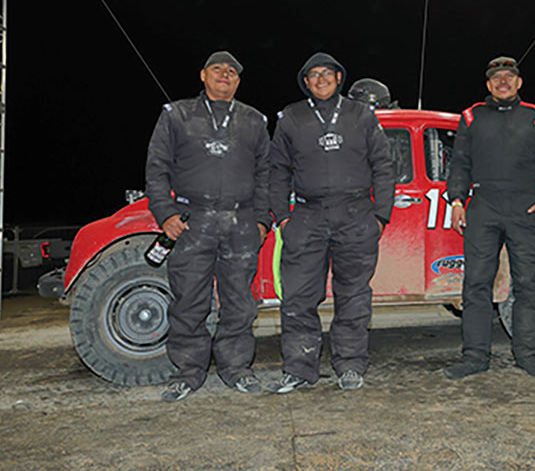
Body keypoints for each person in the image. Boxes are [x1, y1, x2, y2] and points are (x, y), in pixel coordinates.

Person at [145, 50, 271, 402]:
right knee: (189, 300)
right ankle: (188, 372)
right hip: (191, 221)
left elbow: (266, 174)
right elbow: (156, 168)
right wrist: (166, 213)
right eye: (218, 69)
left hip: (240, 221)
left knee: (239, 302)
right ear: (203, 75)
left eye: (232, 72)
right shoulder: (176, 115)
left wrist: (262, 220)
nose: (225, 75)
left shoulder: (254, 121)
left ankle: (236, 369)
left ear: (238, 81)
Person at [267, 52, 394, 393]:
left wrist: (381, 214)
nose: (321, 79)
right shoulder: (291, 117)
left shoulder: (362, 115)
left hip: (355, 214)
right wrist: (282, 218)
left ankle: (350, 365)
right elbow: (276, 171)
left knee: (353, 294)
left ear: (339, 78)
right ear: (305, 82)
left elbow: (383, 165)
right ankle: (299, 368)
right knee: (298, 297)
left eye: (327, 73)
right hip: (307, 216)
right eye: (313, 75)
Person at [445, 55, 535, 380]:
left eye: (508, 76)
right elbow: (459, 163)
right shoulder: (471, 117)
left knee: (527, 285)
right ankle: (474, 358)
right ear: (488, 84)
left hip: (525, 210)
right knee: (476, 286)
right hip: (482, 208)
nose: (502, 82)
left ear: (518, 82)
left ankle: (527, 356)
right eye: (496, 77)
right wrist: (456, 201)